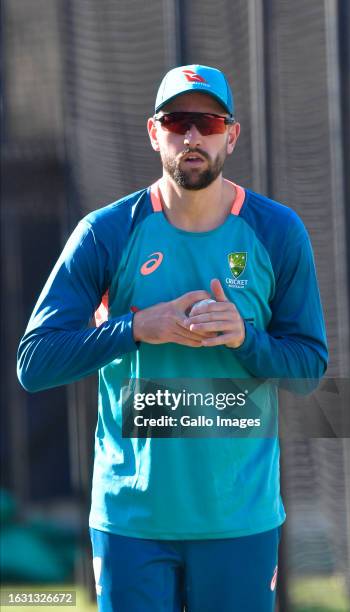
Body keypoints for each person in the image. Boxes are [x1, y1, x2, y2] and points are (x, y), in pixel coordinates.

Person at [17, 64, 328, 611]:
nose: (191, 136)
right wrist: (138, 327)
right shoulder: (106, 232)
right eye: (177, 120)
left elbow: (308, 371)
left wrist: (245, 339)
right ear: (154, 132)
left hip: (239, 520)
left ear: (230, 134)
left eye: (207, 122)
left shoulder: (277, 231)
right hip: (132, 521)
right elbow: (35, 362)